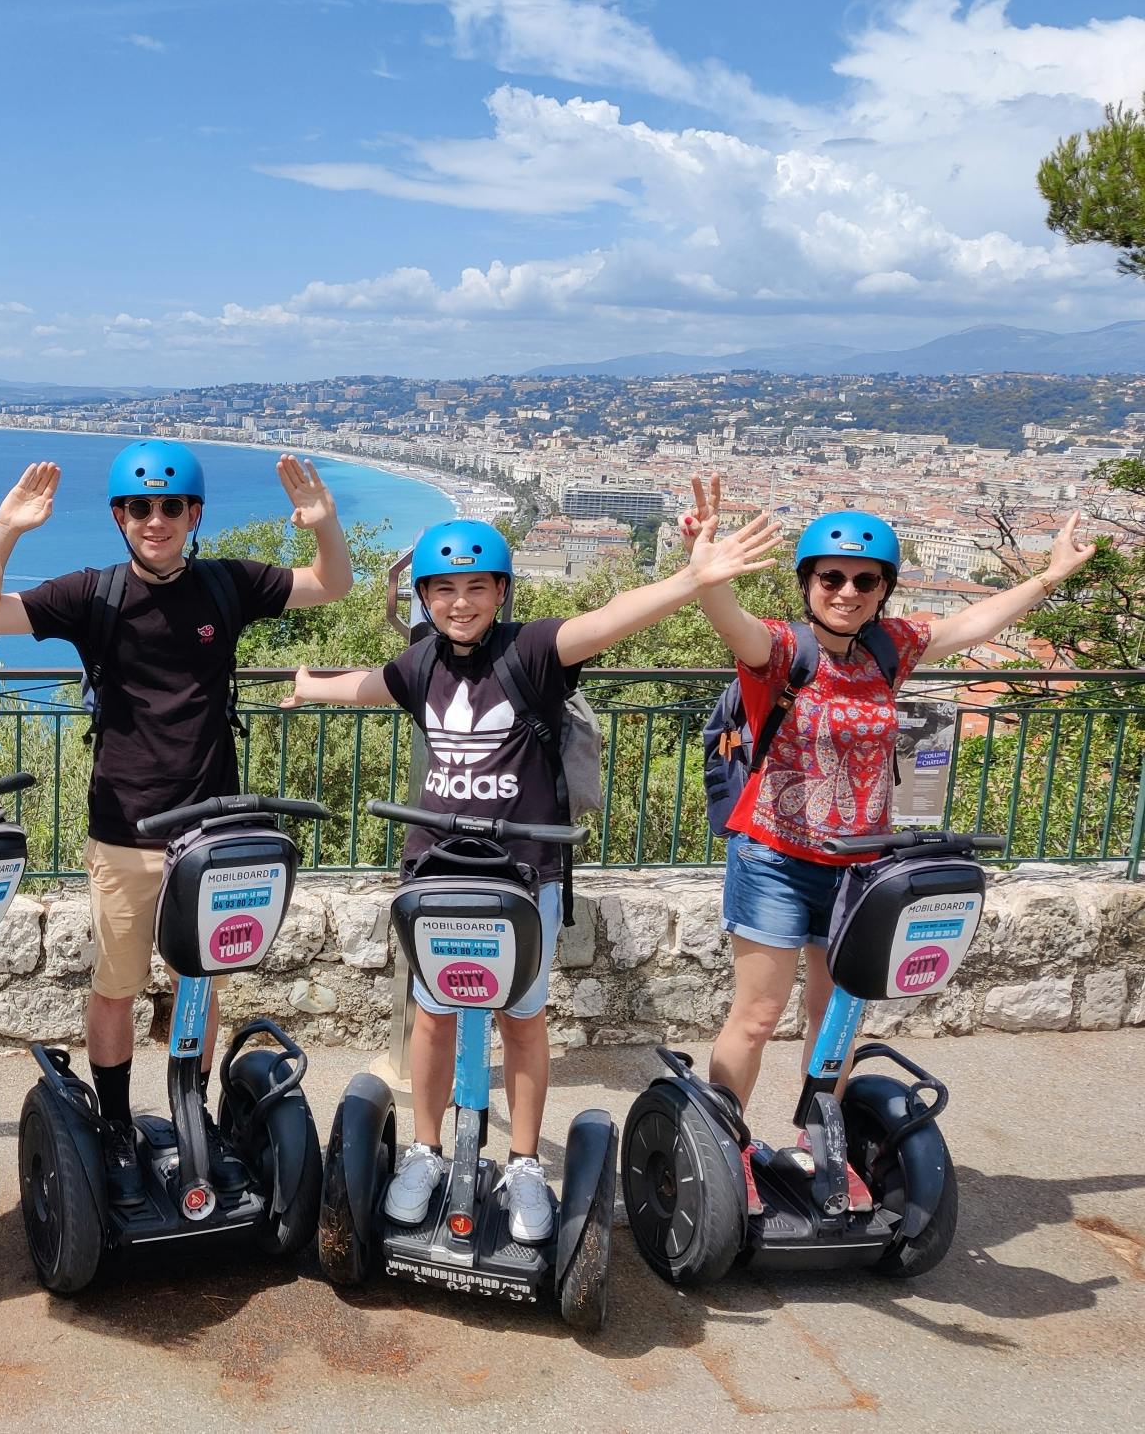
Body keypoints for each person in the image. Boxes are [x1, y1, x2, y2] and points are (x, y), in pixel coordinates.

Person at [280, 506, 782, 1240]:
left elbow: (609, 620)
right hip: (440, 872)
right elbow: (374, 686)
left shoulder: (534, 653)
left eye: (476, 587)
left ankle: (520, 1163)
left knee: (522, 1021)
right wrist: (310, 685)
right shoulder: (420, 663)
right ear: (423, 598)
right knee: (434, 1014)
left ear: (502, 592)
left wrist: (690, 580)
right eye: (442, 590)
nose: (459, 604)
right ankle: (424, 1150)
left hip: (525, 873)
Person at [0, 442, 352, 1202]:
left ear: (194, 514)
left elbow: (332, 582)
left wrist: (324, 521)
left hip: (211, 835)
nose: (156, 520)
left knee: (199, 988)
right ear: (119, 517)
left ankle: (189, 1114)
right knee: (116, 987)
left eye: (172, 507)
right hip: (125, 831)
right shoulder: (91, 595)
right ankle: (110, 1123)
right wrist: (6, 527)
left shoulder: (228, 585)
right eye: (141, 507)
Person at [683, 479, 1099, 1160]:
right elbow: (731, 621)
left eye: (865, 581)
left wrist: (1050, 576)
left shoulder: (889, 650)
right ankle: (722, 1148)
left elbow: (974, 624)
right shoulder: (784, 653)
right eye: (832, 577)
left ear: (884, 589)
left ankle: (817, 1149)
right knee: (756, 1017)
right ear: (808, 583)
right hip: (776, 859)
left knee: (835, 1019)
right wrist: (707, 574)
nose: (847, 591)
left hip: (858, 866)